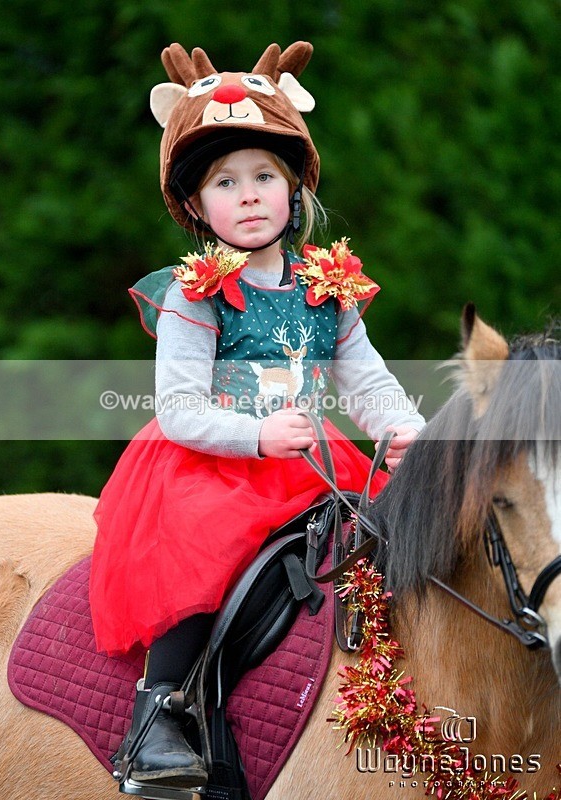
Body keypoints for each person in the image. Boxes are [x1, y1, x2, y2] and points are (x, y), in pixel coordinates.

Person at [89, 41, 425, 790]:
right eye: (225, 181)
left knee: (393, 538)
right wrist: (256, 434)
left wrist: (410, 436)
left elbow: (367, 383)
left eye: (264, 176)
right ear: (195, 205)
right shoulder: (195, 292)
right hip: (209, 461)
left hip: (307, 460)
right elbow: (176, 409)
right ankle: (157, 717)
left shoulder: (327, 287)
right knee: (200, 551)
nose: (247, 195)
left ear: (294, 189)